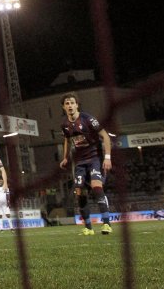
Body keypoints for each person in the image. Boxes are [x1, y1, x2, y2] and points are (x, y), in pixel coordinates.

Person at [59, 92, 112, 236]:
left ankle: (106, 223)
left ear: (77, 104)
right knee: (79, 192)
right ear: (64, 107)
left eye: (72, 102)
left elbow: (105, 136)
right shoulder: (64, 124)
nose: (70, 105)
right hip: (80, 162)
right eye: (67, 103)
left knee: (96, 187)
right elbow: (66, 140)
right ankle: (88, 227)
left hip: (95, 158)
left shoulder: (88, 118)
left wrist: (107, 157)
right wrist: (65, 157)